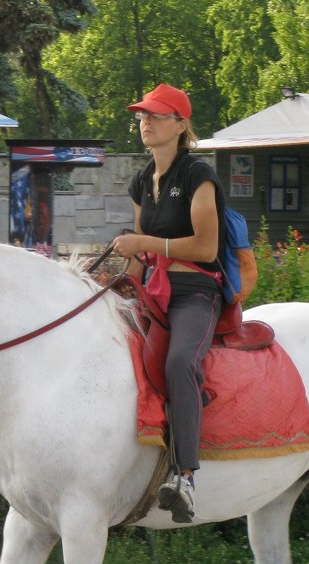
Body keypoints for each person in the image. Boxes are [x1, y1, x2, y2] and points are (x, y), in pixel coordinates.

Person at [112, 83, 226, 524]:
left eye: (157, 116)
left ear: (181, 125)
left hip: (195, 293)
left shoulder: (199, 174)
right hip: (153, 291)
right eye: (142, 115)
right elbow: (140, 256)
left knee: (181, 362)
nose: (146, 122)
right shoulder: (142, 179)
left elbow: (206, 246)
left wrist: (144, 242)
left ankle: (186, 477)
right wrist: (122, 289)